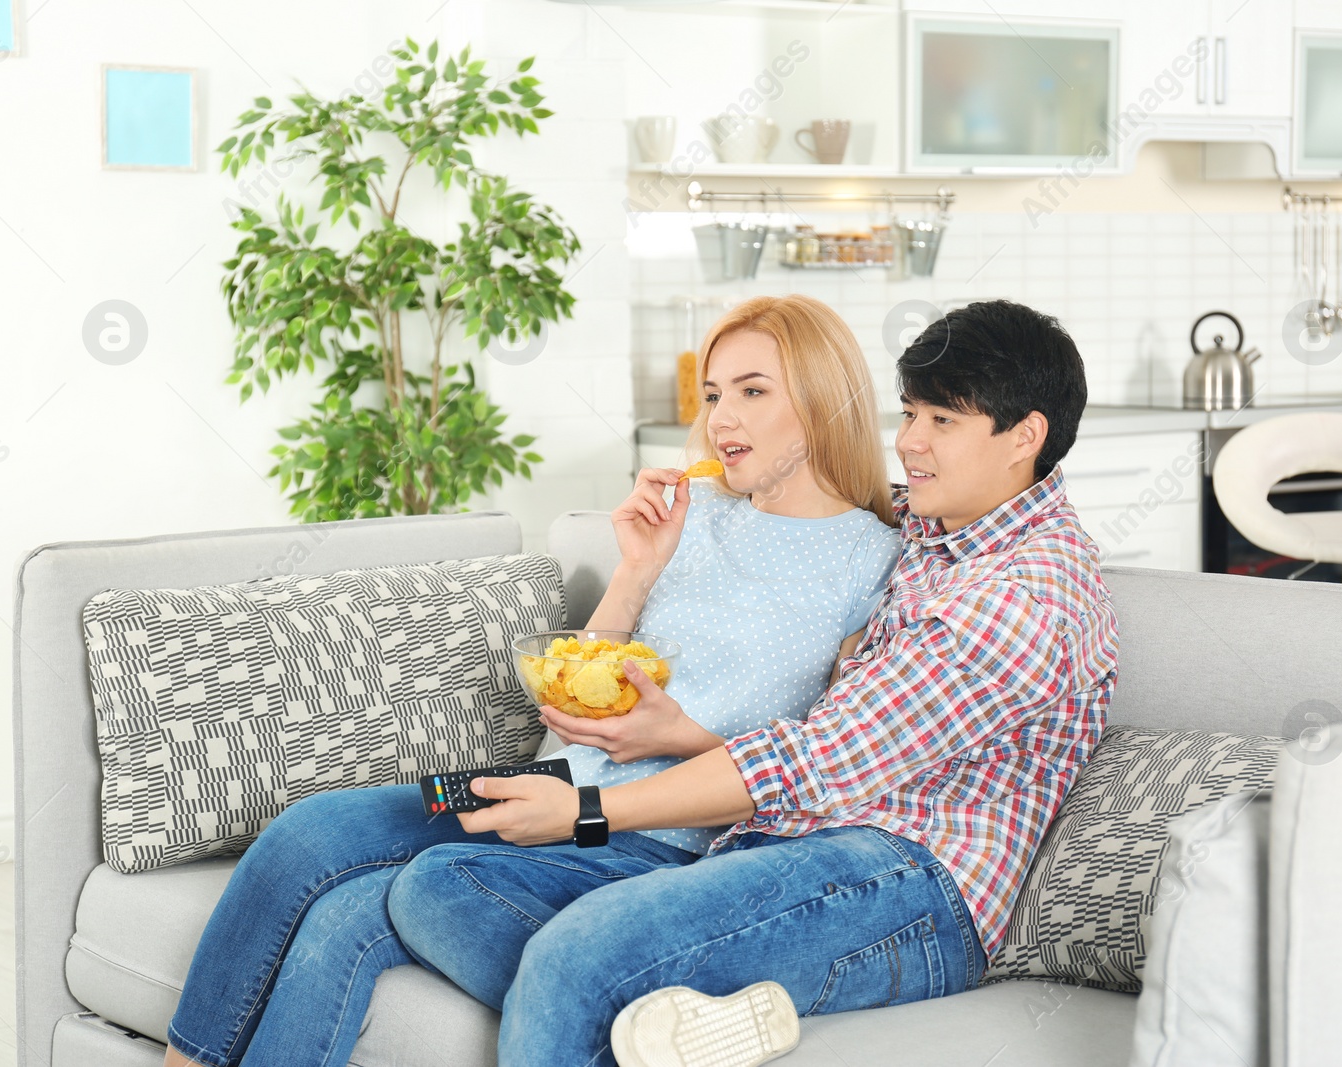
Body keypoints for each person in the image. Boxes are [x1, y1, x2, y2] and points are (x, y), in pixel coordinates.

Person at [160, 294, 903, 1067]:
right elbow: (580, 681)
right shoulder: (696, 512)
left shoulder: (873, 563)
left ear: (823, 400)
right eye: (713, 394)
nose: (722, 418)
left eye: (754, 391)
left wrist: (680, 735)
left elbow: (829, 762)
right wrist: (636, 573)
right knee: (305, 834)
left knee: (356, 911)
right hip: (542, 779)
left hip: (662, 840)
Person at [383, 299, 1120, 1067]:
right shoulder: (935, 523)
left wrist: (588, 811)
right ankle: (683, 1025)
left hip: (912, 881)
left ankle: (626, 1006)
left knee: (580, 955)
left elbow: (819, 757)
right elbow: (827, 496)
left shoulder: (1028, 592)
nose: (908, 442)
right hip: (790, 840)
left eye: (941, 421)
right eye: (908, 413)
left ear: (1024, 436)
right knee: (436, 886)